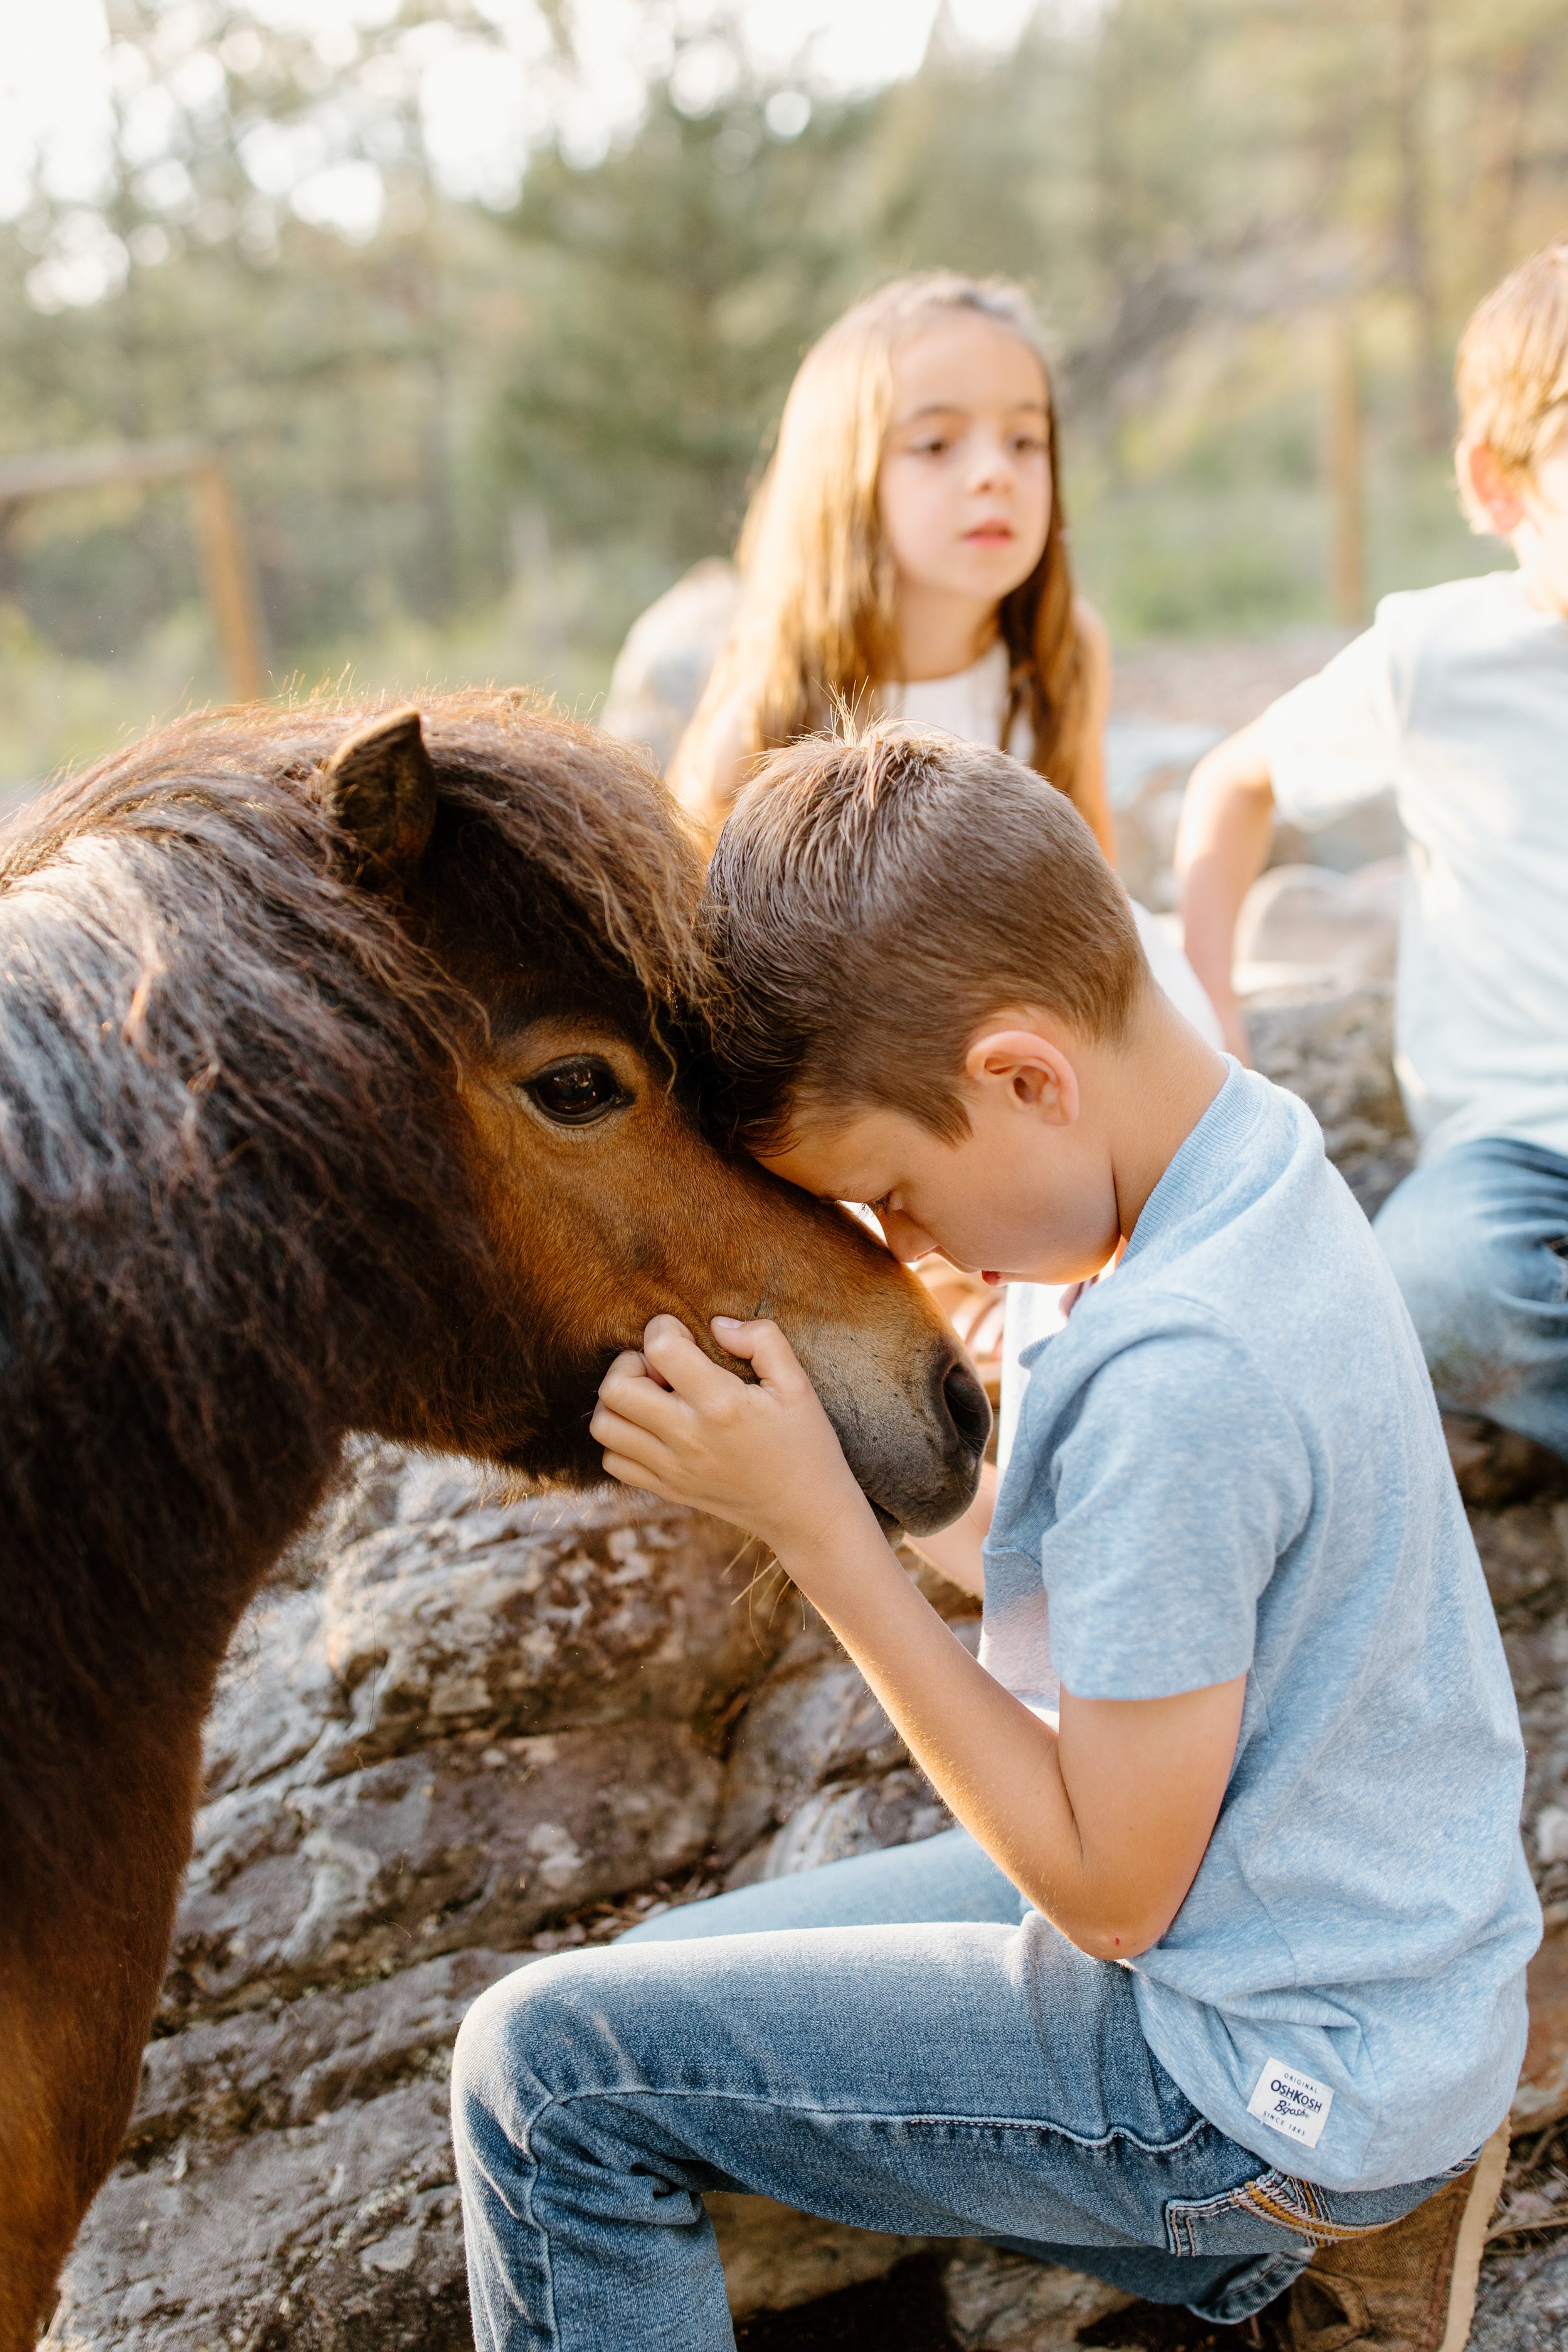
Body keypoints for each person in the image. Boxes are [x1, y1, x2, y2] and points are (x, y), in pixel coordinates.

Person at [451, 726, 1537, 2352]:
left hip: (1254, 2075)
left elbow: (1106, 1892)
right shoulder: (1226, 1162)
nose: (908, 1248)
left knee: (550, 2074)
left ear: (1023, 1075)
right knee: (667, 1981)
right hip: (1352, 1963)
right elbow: (1106, 1577)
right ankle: (1319, 2248)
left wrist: (823, 1538)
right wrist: (800, 1462)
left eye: (892, 1192)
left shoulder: (1184, 1372)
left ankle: (1270, 2245)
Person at [675, 268, 1220, 1383]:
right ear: (846, 477)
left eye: (1026, 442)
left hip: (1058, 1061)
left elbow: (1091, 894)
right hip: (892, 1091)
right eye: (935, 446)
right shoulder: (767, 712)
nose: (994, 475)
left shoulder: (1061, 658)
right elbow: (733, 1016)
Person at [1177, 238, 1568, 1460]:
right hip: (1517, 1157)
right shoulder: (1434, 662)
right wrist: (1211, 1011)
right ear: (1498, 484)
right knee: (1437, 1283)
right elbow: (1230, 782)